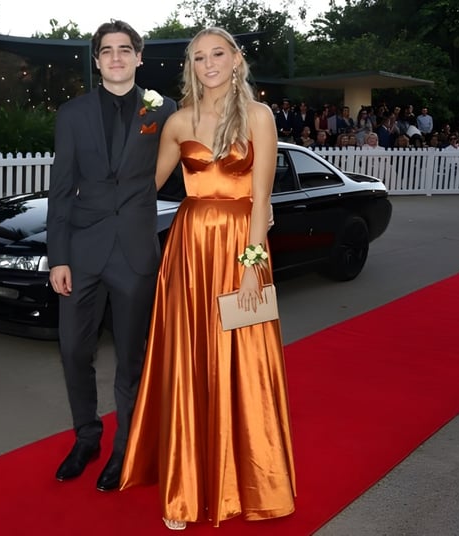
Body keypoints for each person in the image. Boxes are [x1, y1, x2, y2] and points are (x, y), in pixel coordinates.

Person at [120, 27, 296, 530]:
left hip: (242, 248)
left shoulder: (260, 117)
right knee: (188, 359)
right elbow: (145, 187)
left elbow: (261, 202)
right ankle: (185, 487)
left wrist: (251, 266)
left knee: (244, 361)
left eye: (218, 54)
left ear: (236, 59)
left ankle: (250, 481)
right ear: (190, 67)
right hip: (190, 249)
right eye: (199, 57)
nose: (209, 64)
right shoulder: (177, 121)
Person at [46, 20, 177, 493]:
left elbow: (200, 155)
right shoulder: (72, 113)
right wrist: (57, 256)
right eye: (107, 51)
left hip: (137, 252)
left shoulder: (165, 111)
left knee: (132, 361)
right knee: (73, 350)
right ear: (97, 59)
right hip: (81, 252)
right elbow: (60, 190)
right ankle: (87, 437)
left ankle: (126, 448)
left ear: (139, 57)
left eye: (125, 49)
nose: (116, 57)